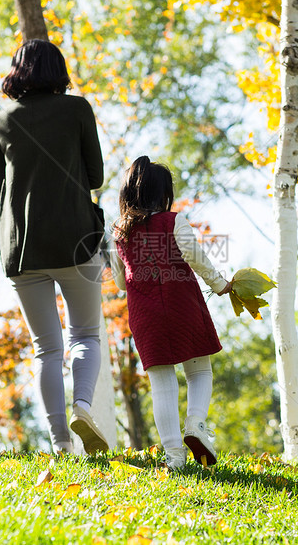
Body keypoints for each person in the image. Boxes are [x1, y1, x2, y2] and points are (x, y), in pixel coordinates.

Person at [0, 39, 108, 455]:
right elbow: (95, 176)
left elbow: (0, 191)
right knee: (86, 335)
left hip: (21, 247)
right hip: (76, 240)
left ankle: (60, 442)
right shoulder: (77, 109)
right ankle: (82, 407)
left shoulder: (2, 120)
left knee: (46, 348)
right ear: (58, 69)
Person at [110, 156, 231, 469]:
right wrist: (219, 285)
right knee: (199, 370)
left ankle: (174, 457)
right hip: (182, 306)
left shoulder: (119, 235)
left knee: (162, 384)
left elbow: (121, 283)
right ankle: (196, 425)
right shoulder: (172, 221)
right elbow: (196, 257)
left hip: (145, 315)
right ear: (162, 195)